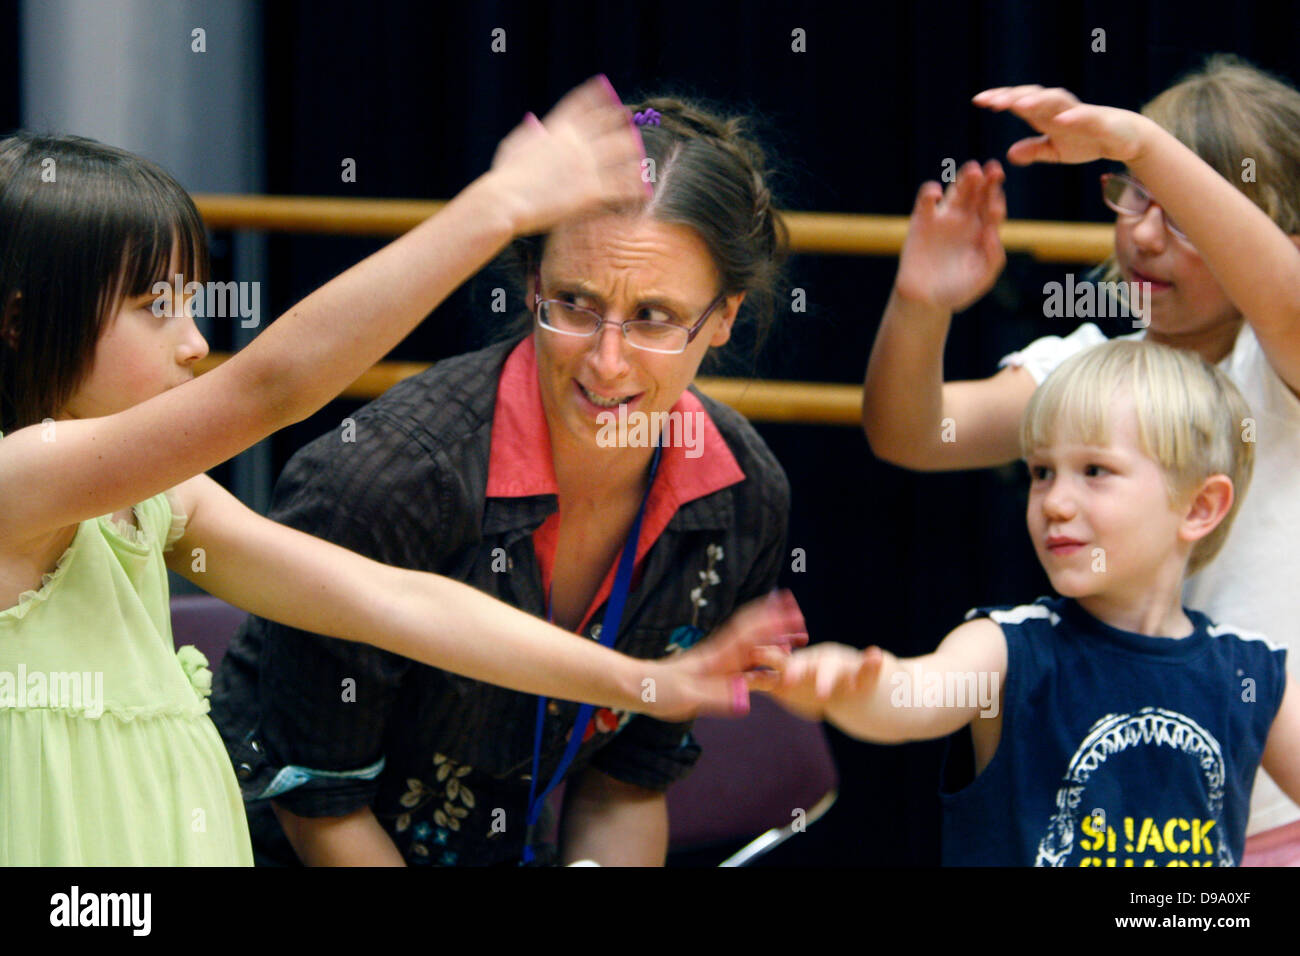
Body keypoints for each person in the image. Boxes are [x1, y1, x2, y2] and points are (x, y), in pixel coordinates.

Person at [0, 76, 805, 866]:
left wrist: (641, 684)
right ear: (19, 321)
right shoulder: (17, 482)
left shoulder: (160, 501)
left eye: (192, 302)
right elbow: (272, 386)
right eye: (155, 307)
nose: (193, 342)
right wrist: (498, 206)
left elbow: (399, 603)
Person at [860, 57, 1300, 840]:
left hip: (1274, 823)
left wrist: (1139, 145)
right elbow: (911, 432)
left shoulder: (1277, 370)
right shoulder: (1089, 372)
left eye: (1187, 215)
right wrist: (922, 304)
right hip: (1122, 817)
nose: (1143, 234)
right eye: (1132, 195)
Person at [766, 340, 1298, 866]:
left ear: (1201, 507)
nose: (1056, 503)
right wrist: (854, 686)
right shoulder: (1004, 646)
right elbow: (913, 698)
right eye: (1042, 472)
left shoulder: (1253, 673)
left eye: (1094, 471)